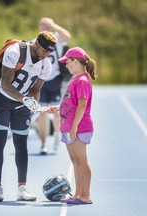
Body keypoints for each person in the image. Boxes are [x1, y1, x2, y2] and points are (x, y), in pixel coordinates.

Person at [0, 31, 57, 202]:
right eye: (44, 51)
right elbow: (5, 82)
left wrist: (33, 103)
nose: (46, 55)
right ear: (36, 44)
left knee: (21, 143)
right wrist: (24, 99)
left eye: (49, 53)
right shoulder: (15, 52)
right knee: (0, 140)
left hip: (23, 104)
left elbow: (36, 89)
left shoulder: (45, 64)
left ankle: (22, 188)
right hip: (2, 99)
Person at [47, 47, 97, 204]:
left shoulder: (82, 80)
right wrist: (58, 107)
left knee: (81, 160)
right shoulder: (75, 79)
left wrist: (74, 126)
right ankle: (78, 194)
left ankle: (86, 195)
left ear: (76, 62)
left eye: (68, 62)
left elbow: (82, 105)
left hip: (79, 126)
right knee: (75, 160)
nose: (66, 66)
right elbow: (70, 101)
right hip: (69, 126)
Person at [36, 17, 72, 154]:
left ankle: (57, 135)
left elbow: (67, 36)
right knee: (42, 113)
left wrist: (53, 25)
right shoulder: (37, 40)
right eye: (42, 25)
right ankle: (43, 143)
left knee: (57, 112)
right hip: (41, 80)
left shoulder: (58, 38)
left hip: (55, 79)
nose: (45, 27)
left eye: (47, 25)